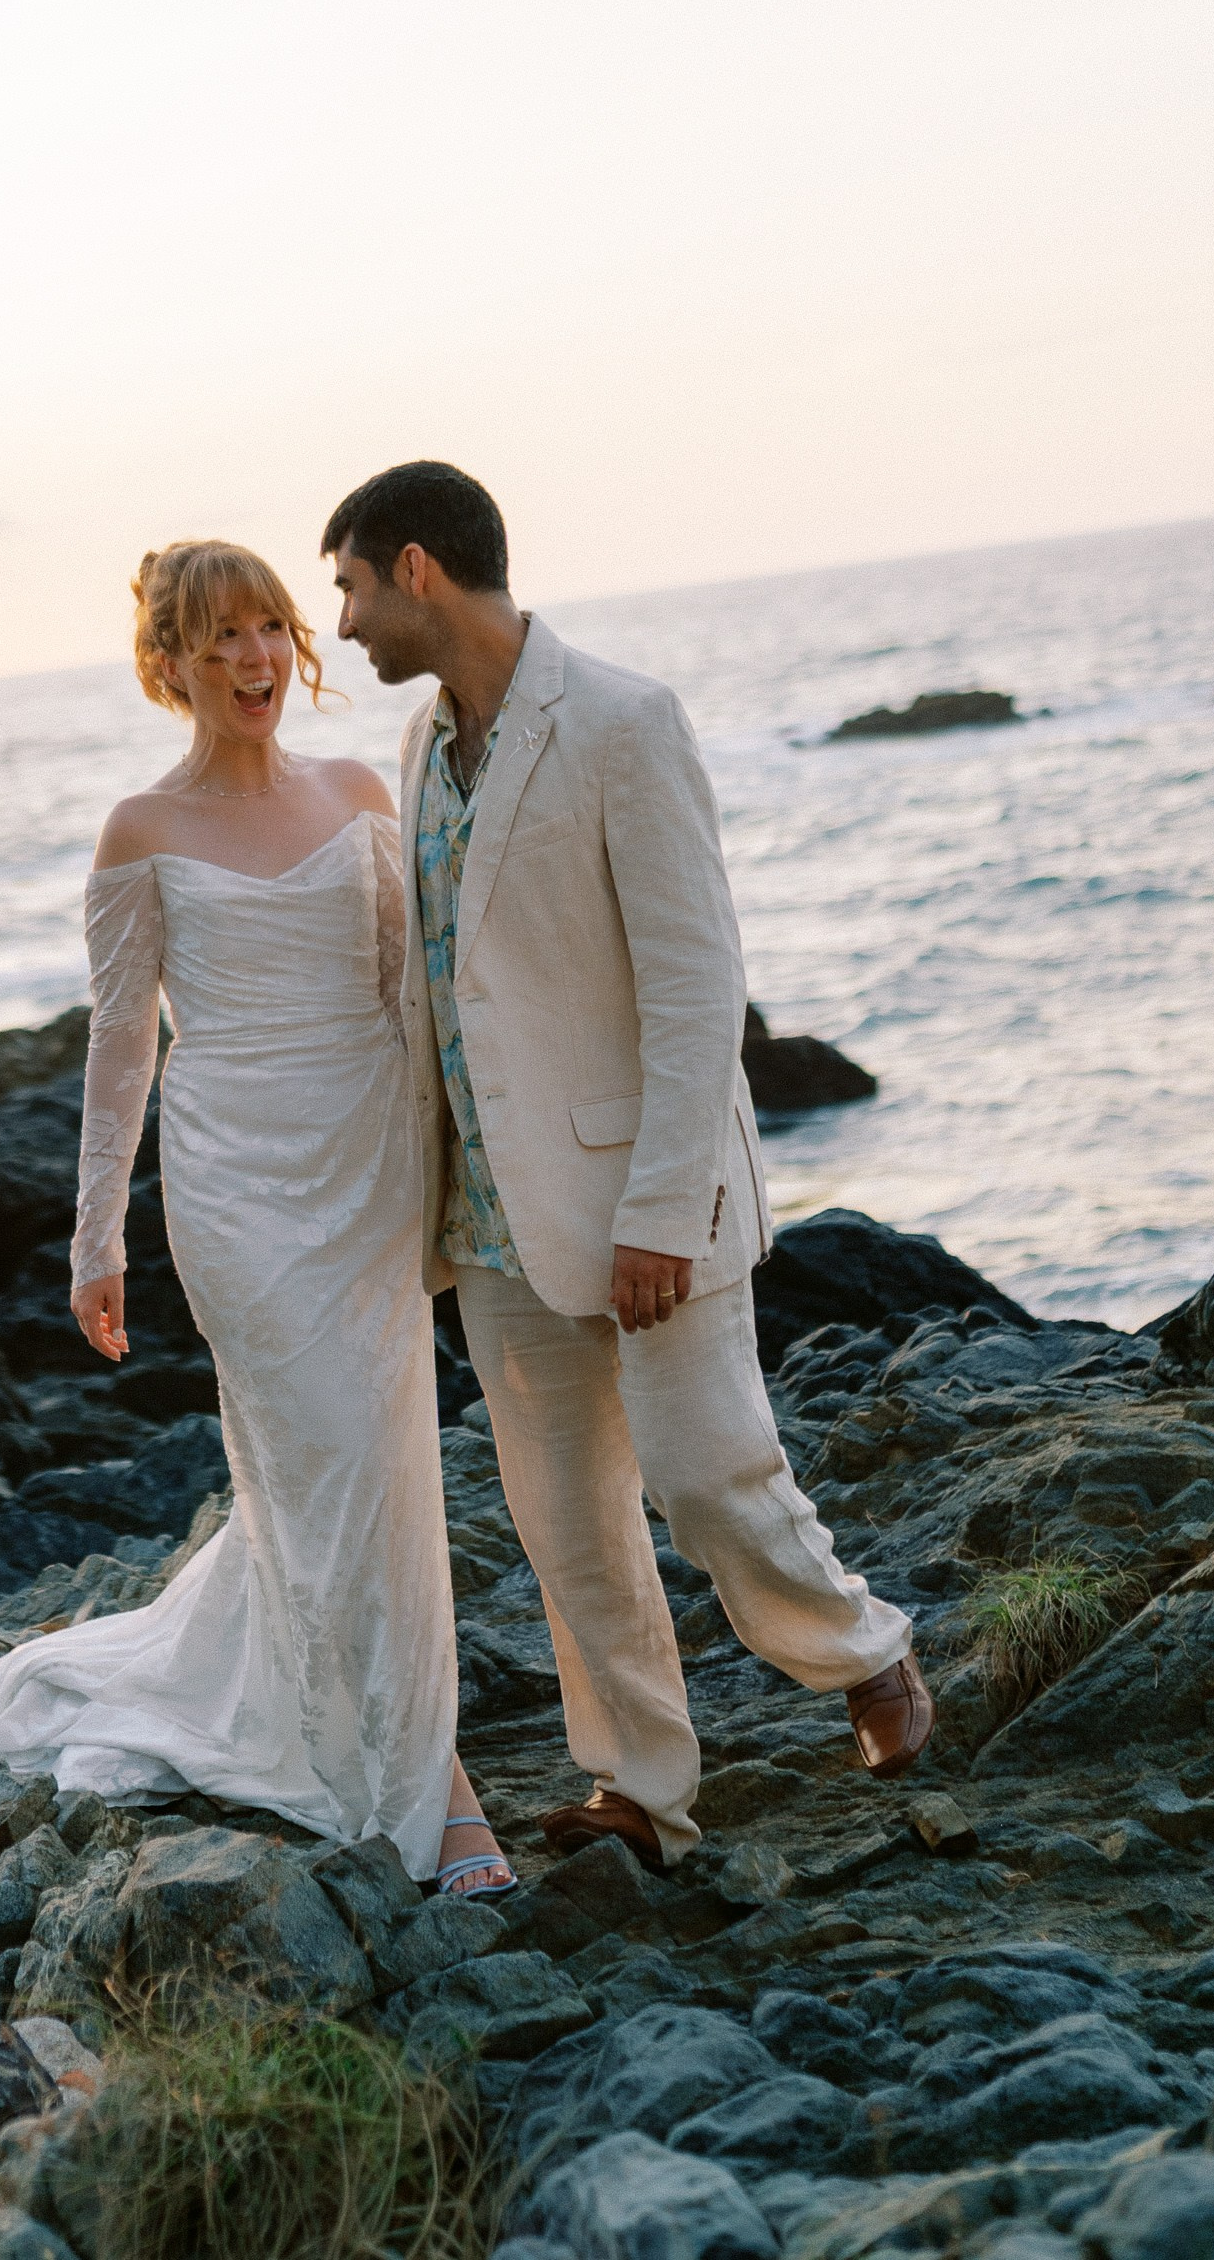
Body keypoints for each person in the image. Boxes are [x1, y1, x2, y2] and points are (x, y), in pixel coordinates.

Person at [0, 539, 514, 1896]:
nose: (252, 658)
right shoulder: (142, 831)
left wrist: (457, 1187)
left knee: (379, 1468)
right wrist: (98, 1239)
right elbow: (120, 1046)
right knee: (320, 1459)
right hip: (235, 1192)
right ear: (171, 666)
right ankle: (437, 1788)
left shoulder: (362, 790)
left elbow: (407, 1003)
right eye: (218, 641)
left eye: (268, 627)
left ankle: (395, 1743)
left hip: (364, 1174)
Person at [322, 461, 933, 1870]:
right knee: (568, 1527)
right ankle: (641, 1788)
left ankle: (866, 1655)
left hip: (642, 1196)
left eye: (351, 586)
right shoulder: (420, 752)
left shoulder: (621, 721)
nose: (343, 623)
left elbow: (696, 983)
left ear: (417, 569)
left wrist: (666, 1205)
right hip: (488, 1213)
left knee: (712, 1471)